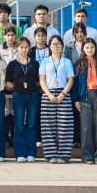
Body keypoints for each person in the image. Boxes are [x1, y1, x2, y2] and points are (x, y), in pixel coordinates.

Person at [39, 35, 75, 163]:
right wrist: (48, 94)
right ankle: (51, 155)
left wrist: (63, 94)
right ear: (49, 46)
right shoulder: (44, 62)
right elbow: (41, 80)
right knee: (48, 126)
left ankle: (63, 155)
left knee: (65, 126)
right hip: (48, 94)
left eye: (58, 43)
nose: (56, 46)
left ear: (62, 46)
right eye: (53, 44)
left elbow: (70, 80)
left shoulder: (67, 62)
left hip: (63, 94)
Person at [6, 37, 40, 163]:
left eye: (26, 47)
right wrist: (19, 86)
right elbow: (8, 83)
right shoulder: (12, 64)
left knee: (31, 124)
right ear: (17, 48)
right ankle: (20, 153)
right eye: (21, 47)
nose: (24, 49)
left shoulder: (35, 63)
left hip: (33, 95)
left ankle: (31, 153)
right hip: (18, 96)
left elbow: (38, 81)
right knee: (19, 125)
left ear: (29, 48)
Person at [64, 22, 86, 148]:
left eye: (81, 32)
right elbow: (66, 62)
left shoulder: (89, 45)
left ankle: (86, 139)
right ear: (73, 33)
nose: (79, 34)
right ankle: (76, 138)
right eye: (77, 32)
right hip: (73, 80)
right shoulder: (68, 47)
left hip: (86, 80)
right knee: (75, 112)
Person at [29, 26, 49, 147]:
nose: (40, 38)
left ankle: (47, 138)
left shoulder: (50, 50)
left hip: (49, 86)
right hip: (34, 86)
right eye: (38, 36)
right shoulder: (31, 51)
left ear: (46, 37)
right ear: (34, 37)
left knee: (47, 114)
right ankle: (37, 138)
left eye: (43, 36)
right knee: (35, 113)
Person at [0, 25, 18, 148]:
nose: (10, 37)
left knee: (15, 109)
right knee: (6, 109)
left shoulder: (19, 48)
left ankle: (14, 137)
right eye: (8, 35)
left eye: (12, 35)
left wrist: (15, 83)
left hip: (17, 84)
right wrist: (6, 83)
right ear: (4, 36)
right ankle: (6, 137)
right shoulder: (0, 50)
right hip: (3, 84)